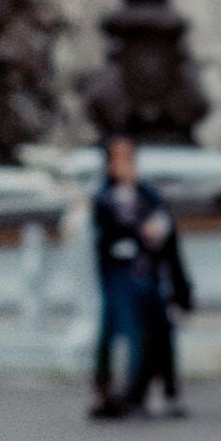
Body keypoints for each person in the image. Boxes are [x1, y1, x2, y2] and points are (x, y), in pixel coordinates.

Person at [87, 136, 193, 420]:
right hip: (120, 277)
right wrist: (137, 233)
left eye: (129, 158)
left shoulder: (148, 195)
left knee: (158, 331)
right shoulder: (105, 198)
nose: (125, 165)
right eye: (118, 159)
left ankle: (154, 391)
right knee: (120, 333)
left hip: (149, 274)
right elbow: (106, 240)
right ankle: (112, 393)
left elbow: (168, 233)